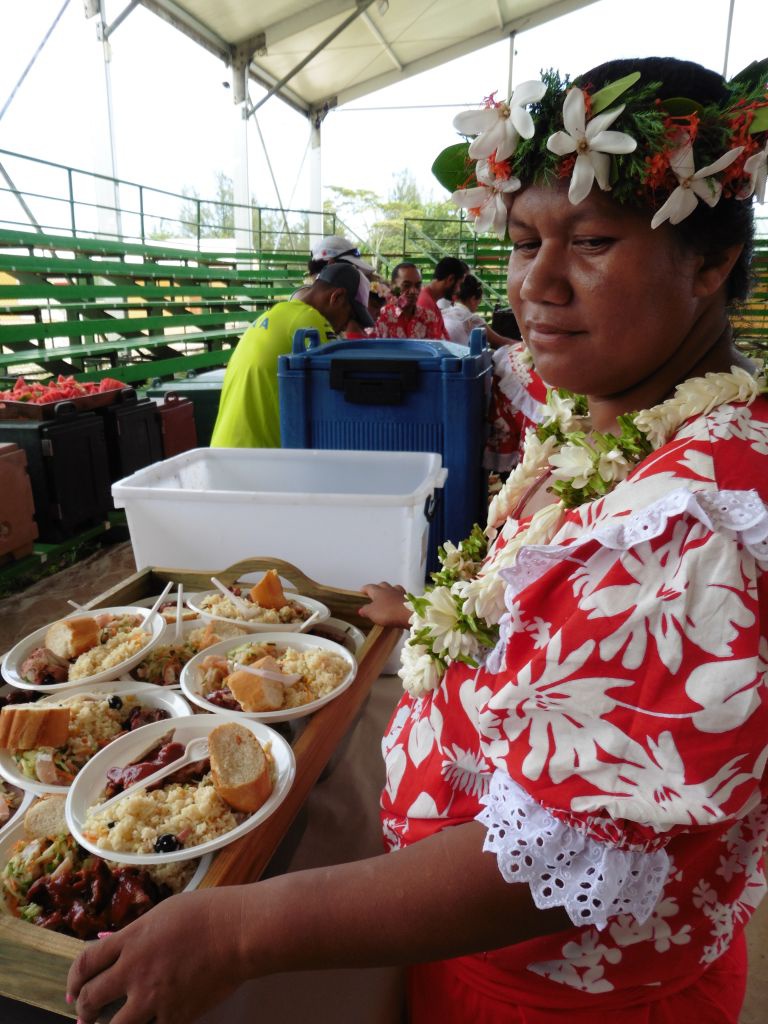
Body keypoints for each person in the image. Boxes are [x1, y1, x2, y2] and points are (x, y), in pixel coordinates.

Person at [67, 56, 768, 1024]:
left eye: (595, 240)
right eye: (524, 242)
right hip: (466, 954)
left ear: (712, 262)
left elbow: (556, 859)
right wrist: (440, 614)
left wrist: (238, 931)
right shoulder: (607, 420)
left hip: (564, 998)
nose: (542, 282)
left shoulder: (700, 524)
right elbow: (563, 631)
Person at [210, 263, 373, 448]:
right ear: (337, 297)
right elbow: (334, 403)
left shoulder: (274, 314)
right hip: (255, 458)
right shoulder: (310, 321)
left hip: (226, 448)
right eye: (350, 316)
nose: (345, 327)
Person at [443, 272, 521, 348]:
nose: (477, 307)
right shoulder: (472, 319)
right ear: (473, 299)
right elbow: (501, 342)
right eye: (479, 303)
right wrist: (526, 346)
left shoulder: (444, 313)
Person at [375, 262, 445, 340]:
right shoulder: (381, 316)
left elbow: (438, 347)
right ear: (393, 286)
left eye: (418, 285)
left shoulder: (429, 317)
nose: (413, 291)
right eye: (406, 285)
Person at [417, 256, 469, 338]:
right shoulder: (425, 304)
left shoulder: (431, 301)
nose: (458, 290)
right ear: (450, 279)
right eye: (459, 284)